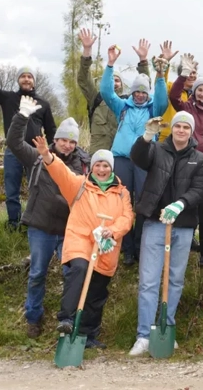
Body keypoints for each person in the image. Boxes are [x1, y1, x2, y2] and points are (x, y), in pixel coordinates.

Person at [127, 112, 203, 356]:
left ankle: (167, 328)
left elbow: (199, 191)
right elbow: (138, 158)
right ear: (172, 129)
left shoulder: (201, 159)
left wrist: (180, 204)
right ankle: (144, 335)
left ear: (191, 131)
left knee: (175, 280)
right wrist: (146, 136)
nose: (182, 130)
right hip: (155, 222)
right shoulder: (156, 150)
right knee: (149, 281)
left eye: (186, 127)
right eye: (178, 126)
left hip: (183, 225)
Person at [37, 139, 133, 350]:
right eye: (98, 165)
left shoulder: (122, 193)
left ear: (111, 168)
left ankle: (88, 334)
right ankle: (67, 319)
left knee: (97, 292)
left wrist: (113, 231)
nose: (101, 169)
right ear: (92, 167)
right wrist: (47, 156)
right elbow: (61, 173)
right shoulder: (79, 185)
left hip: (106, 247)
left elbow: (127, 218)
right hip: (80, 240)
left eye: (105, 165)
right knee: (79, 269)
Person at [7, 97, 89, 339]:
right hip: (41, 226)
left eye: (72, 141)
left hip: (69, 229)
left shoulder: (84, 164)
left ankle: (68, 320)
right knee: (37, 273)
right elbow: (13, 142)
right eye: (64, 140)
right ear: (56, 139)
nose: (67, 145)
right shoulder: (37, 156)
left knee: (71, 274)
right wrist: (22, 116)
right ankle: (33, 318)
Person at [100, 43, 169, 266]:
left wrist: (159, 74)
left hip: (144, 161)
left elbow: (162, 98)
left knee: (143, 204)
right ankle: (126, 248)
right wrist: (110, 64)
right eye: (136, 91)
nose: (139, 95)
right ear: (132, 91)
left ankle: (141, 247)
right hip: (121, 160)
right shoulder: (122, 107)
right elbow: (106, 92)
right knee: (123, 203)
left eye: (143, 92)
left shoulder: (154, 109)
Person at [0, 47, 56, 231]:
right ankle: (14, 223)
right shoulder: (8, 99)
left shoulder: (43, 104)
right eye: (23, 76)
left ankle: (32, 223)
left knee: (35, 189)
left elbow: (51, 130)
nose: (26, 79)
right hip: (13, 152)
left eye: (30, 76)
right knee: (11, 191)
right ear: (19, 80)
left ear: (34, 81)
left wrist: (52, 152)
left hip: (35, 152)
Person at [168, 54, 203, 266]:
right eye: (199, 89)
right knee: (184, 203)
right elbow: (173, 96)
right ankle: (186, 242)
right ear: (194, 91)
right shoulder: (186, 107)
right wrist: (183, 76)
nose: (202, 93)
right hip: (186, 162)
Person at [77, 29, 150, 153]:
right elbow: (83, 79)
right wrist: (87, 51)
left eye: (117, 80)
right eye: (112, 80)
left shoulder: (128, 103)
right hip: (99, 157)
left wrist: (143, 60)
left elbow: (145, 85)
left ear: (122, 84)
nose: (114, 83)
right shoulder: (96, 98)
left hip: (121, 155)